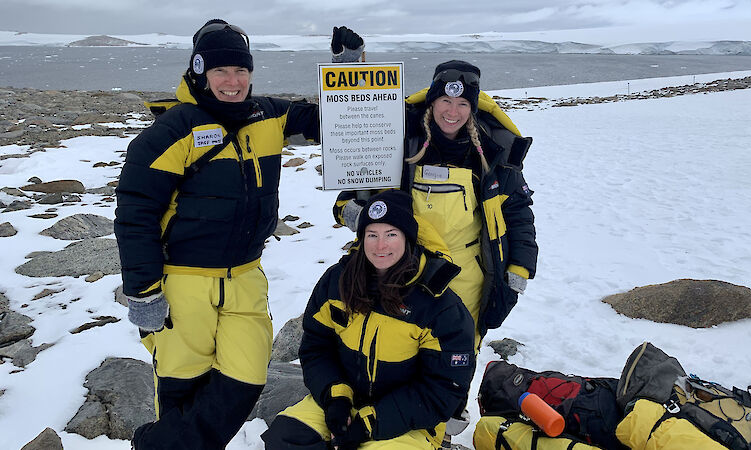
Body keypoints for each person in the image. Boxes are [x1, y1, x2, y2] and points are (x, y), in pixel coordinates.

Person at [114, 20, 363, 449]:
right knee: (182, 384)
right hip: (183, 280)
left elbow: (334, 124)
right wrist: (143, 291)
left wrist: (349, 70)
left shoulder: (268, 115)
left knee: (247, 377)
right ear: (199, 73)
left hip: (245, 275)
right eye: (220, 72)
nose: (233, 82)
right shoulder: (172, 131)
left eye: (241, 71)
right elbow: (135, 213)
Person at [333, 60, 538, 438]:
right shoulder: (399, 137)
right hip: (406, 265)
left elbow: (519, 214)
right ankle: (390, 421)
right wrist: (356, 215)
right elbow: (354, 192)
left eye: (463, 105)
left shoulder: (495, 151)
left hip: (470, 272)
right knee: (402, 339)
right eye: (445, 100)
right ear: (431, 100)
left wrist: (520, 272)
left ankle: (441, 427)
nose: (452, 111)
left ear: (473, 108)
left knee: (457, 352)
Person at [263, 190, 476, 449]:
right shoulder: (338, 281)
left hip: (407, 421)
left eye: (391, 235)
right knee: (284, 437)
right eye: (372, 235)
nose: (380, 245)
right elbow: (316, 347)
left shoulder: (439, 304)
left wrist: (372, 422)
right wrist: (335, 398)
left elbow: (443, 388)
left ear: (408, 238)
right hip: (344, 401)